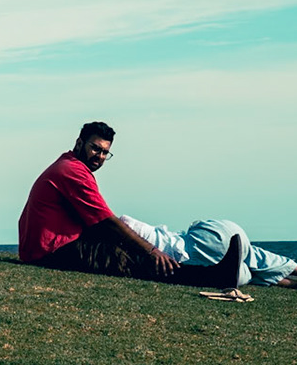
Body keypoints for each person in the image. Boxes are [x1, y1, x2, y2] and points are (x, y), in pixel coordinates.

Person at [16, 121, 249, 288]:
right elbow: (106, 221)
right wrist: (151, 250)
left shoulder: (70, 166)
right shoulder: (72, 171)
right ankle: (214, 277)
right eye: (95, 148)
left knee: (127, 250)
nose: (99, 156)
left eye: (105, 152)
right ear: (79, 143)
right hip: (51, 252)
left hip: (48, 247)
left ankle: (214, 273)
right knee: (134, 259)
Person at [120, 216, 297, 291]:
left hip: (199, 254)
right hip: (208, 240)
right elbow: (121, 222)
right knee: (253, 257)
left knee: (247, 272)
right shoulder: (124, 224)